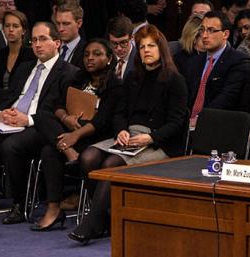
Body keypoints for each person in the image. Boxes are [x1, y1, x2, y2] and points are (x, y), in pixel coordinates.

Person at [67, 24, 188, 243]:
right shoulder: (133, 77)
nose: (146, 51)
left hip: (158, 142)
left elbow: (177, 122)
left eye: (151, 46)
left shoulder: (174, 80)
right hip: (129, 136)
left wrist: (152, 137)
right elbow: (120, 113)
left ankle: (92, 223)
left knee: (111, 164)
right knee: (88, 157)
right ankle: (104, 218)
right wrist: (121, 130)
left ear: (161, 48)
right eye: (142, 47)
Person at [0, 22, 77, 223]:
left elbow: (59, 111)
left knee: (12, 146)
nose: (37, 44)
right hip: (10, 121)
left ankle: (18, 204)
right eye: (34, 40)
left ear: (57, 42)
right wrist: (2, 113)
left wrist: (26, 119)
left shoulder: (68, 73)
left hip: (38, 126)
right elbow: (8, 97)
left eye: (43, 39)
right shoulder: (25, 67)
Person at [31, 39, 121, 231]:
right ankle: (54, 207)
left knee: (49, 150)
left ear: (109, 58)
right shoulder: (78, 77)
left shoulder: (114, 84)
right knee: (41, 117)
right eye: (87, 54)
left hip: (96, 136)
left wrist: (76, 135)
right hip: (69, 132)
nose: (90, 58)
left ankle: (56, 208)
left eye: (97, 54)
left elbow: (102, 121)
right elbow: (57, 104)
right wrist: (66, 119)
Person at [187, 11, 250, 128]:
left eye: (211, 30)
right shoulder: (194, 61)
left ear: (225, 34)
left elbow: (228, 97)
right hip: (188, 125)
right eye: (202, 30)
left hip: (218, 125)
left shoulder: (238, 61)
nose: (204, 35)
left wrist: (201, 119)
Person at [0, 10, 35, 92]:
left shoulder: (31, 55)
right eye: (7, 26)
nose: (11, 29)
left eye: (15, 26)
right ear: (3, 29)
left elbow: (26, 90)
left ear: (23, 31)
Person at [172, 14, 205, 80]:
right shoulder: (179, 60)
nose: (209, 36)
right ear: (194, 37)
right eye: (204, 34)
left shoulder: (213, 56)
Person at [54, 3, 85, 68]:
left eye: (66, 24)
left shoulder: (86, 51)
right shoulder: (51, 47)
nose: (60, 29)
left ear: (79, 23)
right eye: (58, 23)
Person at [107, 16, 136, 81]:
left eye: (123, 42)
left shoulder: (140, 60)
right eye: (114, 43)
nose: (119, 48)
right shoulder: (105, 58)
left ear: (132, 38)